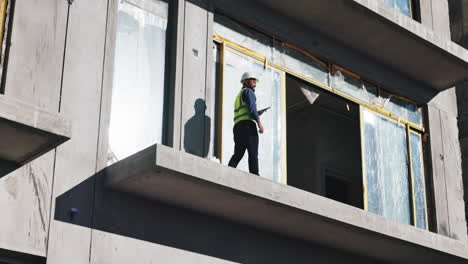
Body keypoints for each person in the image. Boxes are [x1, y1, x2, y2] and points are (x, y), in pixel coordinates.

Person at [228, 72, 265, 175]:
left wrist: (257, 114)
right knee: (253, 151)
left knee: (238, 153)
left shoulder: (239, 95)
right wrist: (259, 123)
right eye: (252, 80)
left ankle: (229, 171)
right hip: (248, 126)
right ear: (246, 82)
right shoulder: (249, 92)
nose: (255, 82)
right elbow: (252, 109)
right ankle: (254, 175)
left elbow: (246, 111)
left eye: (255, 80)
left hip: (238, 127)